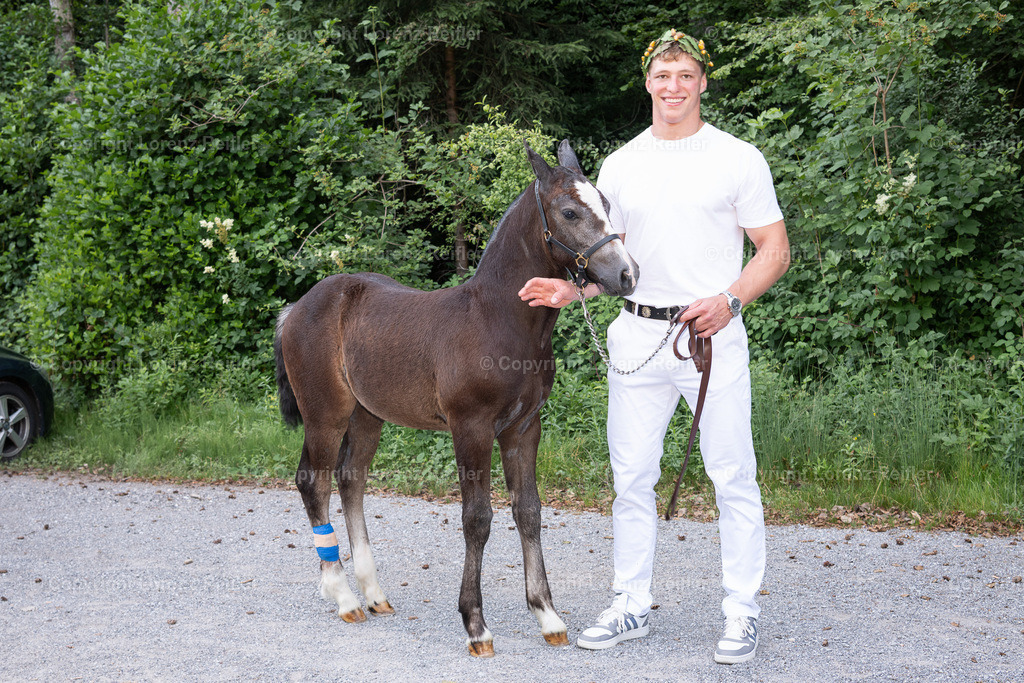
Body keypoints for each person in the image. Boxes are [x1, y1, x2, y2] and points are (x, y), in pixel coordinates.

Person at [518, 28, 790, 664]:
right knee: (632, 477)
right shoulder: (621, 165)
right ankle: (630, 604)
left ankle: (741, 612)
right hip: (636, 334)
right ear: (648, 82)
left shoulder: (737, 157)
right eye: (663, 75)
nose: (674, 87)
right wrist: (570, 294)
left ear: (702, 83)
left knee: (732, 477)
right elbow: (613, 263)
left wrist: (730, 301)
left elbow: (774, 251)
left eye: (685, 75)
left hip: (709, 336)